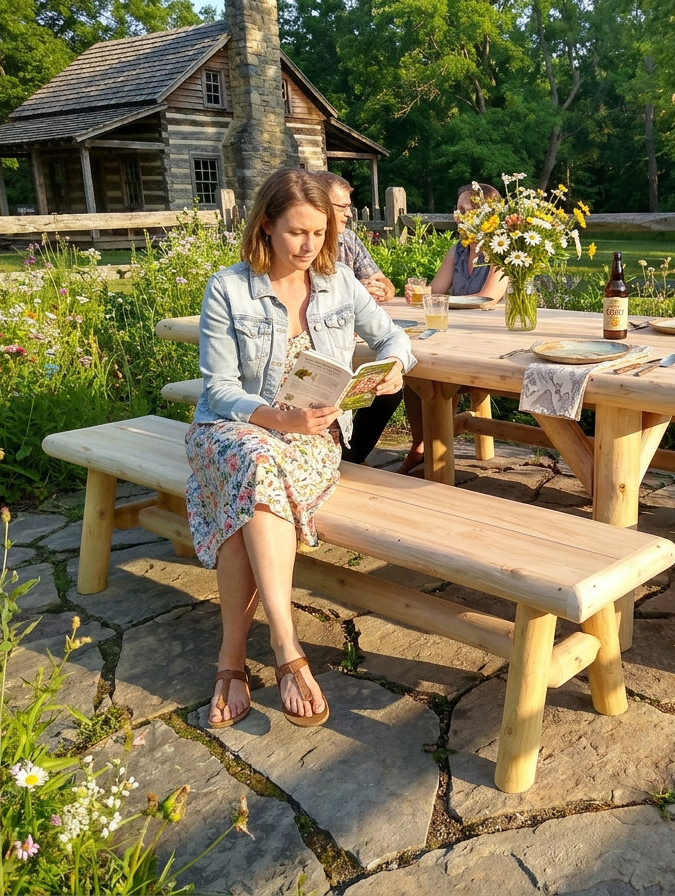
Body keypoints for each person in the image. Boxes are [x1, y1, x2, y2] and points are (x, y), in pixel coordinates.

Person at [186, 168, 415, 729]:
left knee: (251, 497)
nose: (310, 246)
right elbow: (217, 387)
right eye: (296, 233)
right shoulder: (229, 287)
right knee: (256, 462)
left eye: (319, 233)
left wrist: (394, 373)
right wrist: (276, 416)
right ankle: (288, 650)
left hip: (312, 438)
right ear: (266, 226)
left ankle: (232, 662)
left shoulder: (339, 283)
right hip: (233, 431)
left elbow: (394, 338)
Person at [398, 183, 509, 474]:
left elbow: (486, 298)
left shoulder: (502, 251)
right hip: (455, 334)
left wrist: (438, 300)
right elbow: (435, 291)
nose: (456, 216)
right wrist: (417, 294)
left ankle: (434, 450)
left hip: (492, 343)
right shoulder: (458, 251)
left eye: (463, 210)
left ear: (485, 214)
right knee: (413, 365)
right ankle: (421, 445)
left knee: (431, 369)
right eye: (457, 210)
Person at [308, 170, 404, 465]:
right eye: (342, 207)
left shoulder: (348, 241)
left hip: (351, 338)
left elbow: (383, 283)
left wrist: (377, 289)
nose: (348, 214)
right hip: (321, 357)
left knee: (390, 386)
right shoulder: (232, 285)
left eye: (350, 207)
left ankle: (348, 460)